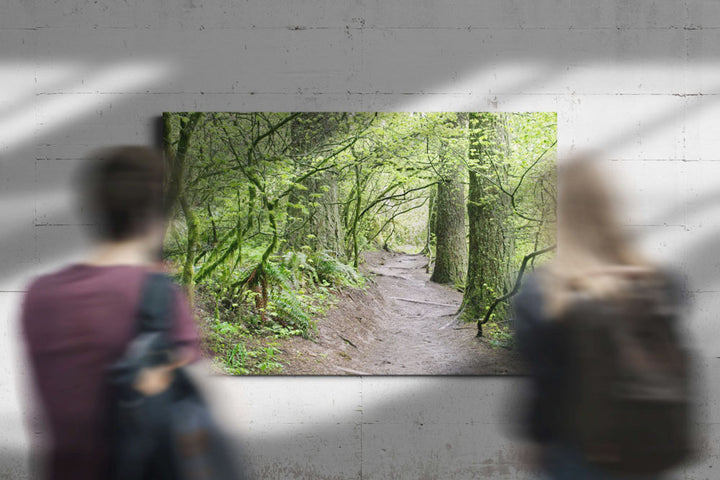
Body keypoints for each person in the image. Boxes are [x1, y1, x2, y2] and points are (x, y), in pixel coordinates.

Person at [21, 146, 200, 480]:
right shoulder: (157, 296)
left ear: (96, 210)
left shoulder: (38, 294)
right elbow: (199, 418)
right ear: (156, 215)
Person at [513, 155, 692, 480]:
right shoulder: (661, 282)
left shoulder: (544, 290)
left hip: (578, 453)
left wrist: (537, 439)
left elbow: (544, 387)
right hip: (650, 447)